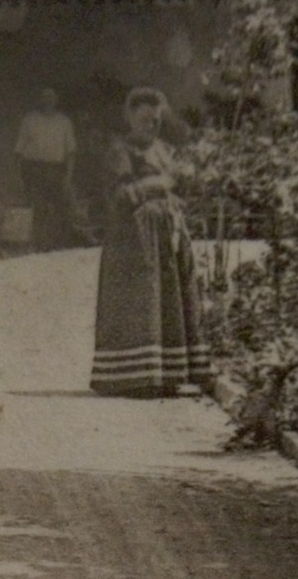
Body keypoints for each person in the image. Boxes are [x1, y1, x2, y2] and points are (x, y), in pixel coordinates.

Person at [89, 87, 214, 398]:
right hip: (133, 239)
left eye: (156, 120)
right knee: (142, 299)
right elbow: (120, 196)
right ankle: (132, 375)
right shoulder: (121, 151)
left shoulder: (164, 150)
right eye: (144, 119)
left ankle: (168, 372)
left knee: (169, 296)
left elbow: (180, 186)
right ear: (130, 118)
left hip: (166, 236)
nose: (151, 125)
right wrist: (157, 184)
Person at [15, 87, 79, 251]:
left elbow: (71, 152)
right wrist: (20, 176)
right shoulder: (29, 120)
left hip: (56, 169)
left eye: (51, 97)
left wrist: (68, 176)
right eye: (44, 97)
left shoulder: (64, 122)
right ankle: (38, 245)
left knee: (59, 207)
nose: (47, 101)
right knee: (38, 207)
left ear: (56, 100)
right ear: (40, 100)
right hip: (34, 169)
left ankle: (57, 245)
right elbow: (19, 152)